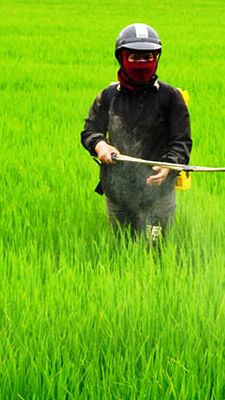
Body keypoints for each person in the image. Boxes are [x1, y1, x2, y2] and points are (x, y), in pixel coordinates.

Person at [81, 23, 192, 240]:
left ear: (156, 58)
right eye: (134, 57)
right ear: (121, 58)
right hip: (118, 191)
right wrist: (100, 145)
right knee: (124, 246)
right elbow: (90, 131)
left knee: (155, 248)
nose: (142, 63)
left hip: (158, 193)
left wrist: (168, 165)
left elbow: (181, 142)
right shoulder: (109, 96)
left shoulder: (170, 97)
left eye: (148, 57)